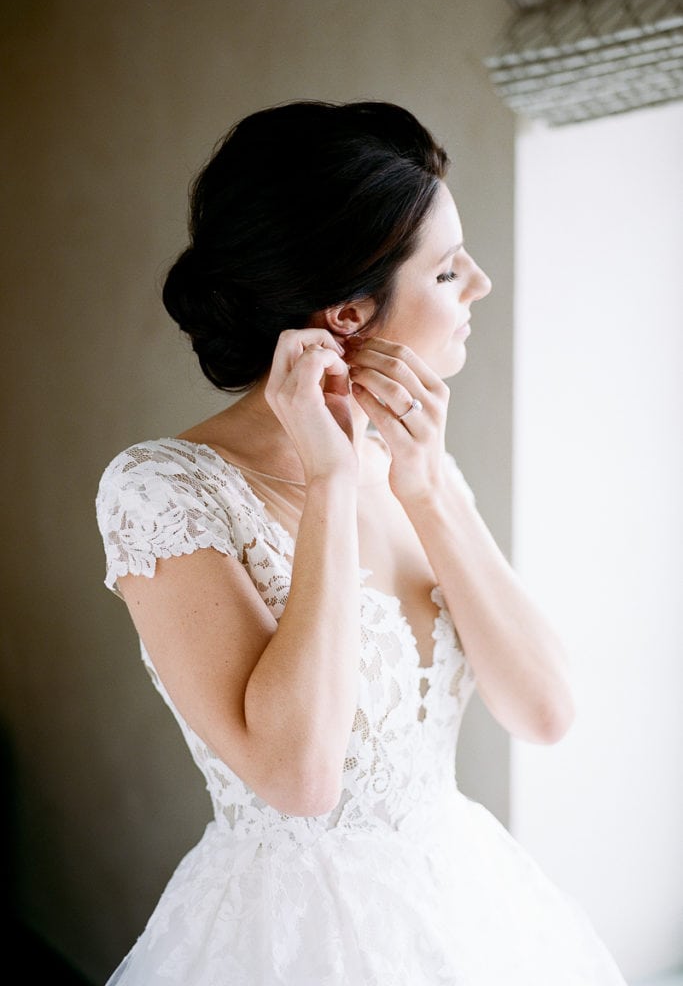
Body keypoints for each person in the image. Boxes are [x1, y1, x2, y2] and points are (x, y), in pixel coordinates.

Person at [96, 100, 627, 985]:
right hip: (284, 938)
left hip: (466, 907)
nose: (481, 286)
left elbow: (545, 711)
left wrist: (423, 488)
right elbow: (299, 780)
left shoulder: (411, 464)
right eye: (449, 272)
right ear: (346, 314)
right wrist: (332, 481)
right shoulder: (160, 490)